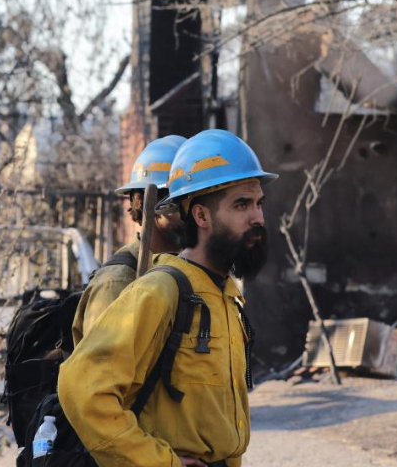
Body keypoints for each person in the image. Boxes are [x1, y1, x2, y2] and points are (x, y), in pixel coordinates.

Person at [58, 129, 278, 467]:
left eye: (259, 203)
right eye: (241, 204)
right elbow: (82, 390)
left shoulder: (224, 295)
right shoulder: (159, 291)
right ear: (201, 216)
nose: (257, 218)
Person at [71, 135, 187, 345]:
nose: (196, 214)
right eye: (183, 201)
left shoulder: (187, 272)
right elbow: (100, 373)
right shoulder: (117, 284)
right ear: (152, 205)